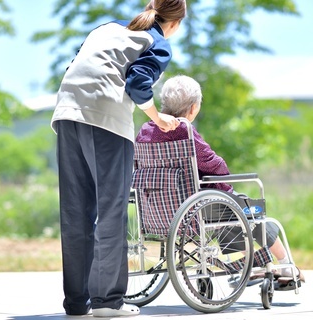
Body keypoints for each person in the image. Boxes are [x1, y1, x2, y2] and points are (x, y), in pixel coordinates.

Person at [50, 1, 186, 317]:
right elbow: (138, 83)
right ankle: (108, 302)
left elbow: (77, 63)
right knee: (111, 209)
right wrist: (158, 118)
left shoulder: (107, 28)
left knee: (75, 211)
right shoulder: (157, 41)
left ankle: (76, 302)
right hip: (106, 117)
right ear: (175, 24)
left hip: (67, 109)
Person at [136, 74, 305, 282]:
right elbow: (216, 165)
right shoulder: (183, 129)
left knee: (226, 205)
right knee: (244, 206)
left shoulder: (145, 130)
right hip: (193, 211)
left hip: (156, 212)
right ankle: (285, 263)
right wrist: (225, 186)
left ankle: (250, 265)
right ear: (193, 108)